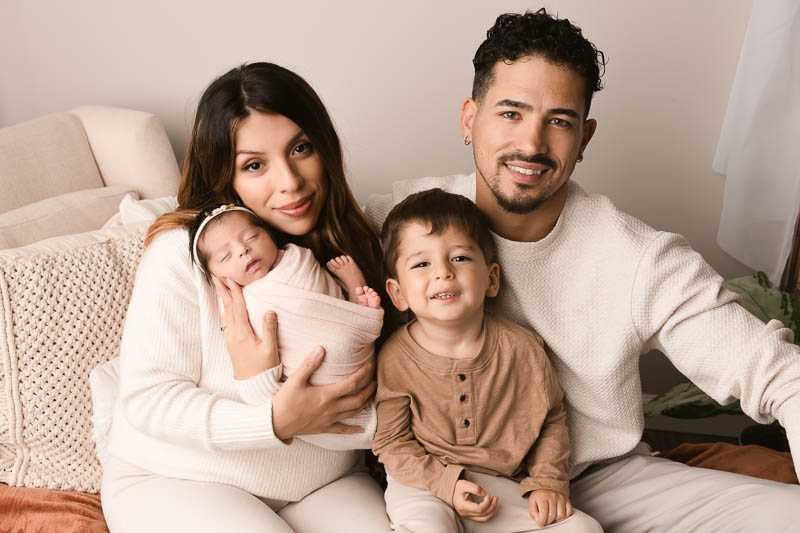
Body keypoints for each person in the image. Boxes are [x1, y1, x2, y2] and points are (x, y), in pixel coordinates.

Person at [365, 9, 800, 532]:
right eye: (511, 113)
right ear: (469, 119)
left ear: (585, 137)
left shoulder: (639, 258)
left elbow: (780, 374)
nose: (531, 144)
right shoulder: (393, 225)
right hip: (441, 480)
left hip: (599, 479)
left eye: (559, 121)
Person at [96, 62, 393, 532]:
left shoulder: (355, 251)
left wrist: (311, 413)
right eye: (254, 165)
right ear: (223, 174)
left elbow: (380, 411)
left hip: (324, 481)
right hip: (177, 477)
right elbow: (149, 400)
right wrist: (274, 420)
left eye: (300, 148)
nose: (290, 181)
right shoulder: (183, 253)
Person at [372, 189, 602, 532]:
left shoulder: (521, 348)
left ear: (491, 279)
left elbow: (551, 419)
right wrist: (445, 484)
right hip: (424, 481)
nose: (443, 272)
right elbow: (391, 442)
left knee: (583, 529)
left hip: (497, 487)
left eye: (460, 258)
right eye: (422, 264)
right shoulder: (396, 357)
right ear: (398, 293)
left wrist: (547, 481)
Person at [188, 203, 382, 449]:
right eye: (225, 256)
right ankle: (360, 308)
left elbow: (327, 294)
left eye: (252, 237)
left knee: (348, 314)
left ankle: (358, 300)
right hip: (312, 388)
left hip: (358, 351)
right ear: (213, 277)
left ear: (270, 235)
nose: (243, 250)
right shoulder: (243, 305)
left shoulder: (298, 259)